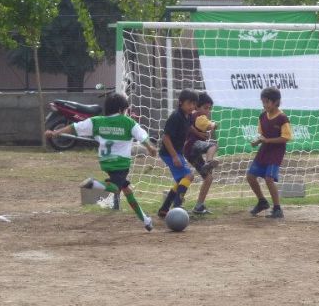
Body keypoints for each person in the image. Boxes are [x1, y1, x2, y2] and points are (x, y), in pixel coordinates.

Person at [44, 93, 157, 232]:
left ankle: (145, 220)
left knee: (126, 189)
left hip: (105, 162)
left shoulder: (97, 121)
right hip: (120, 163)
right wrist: (150, 147)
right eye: (125, 109)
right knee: (116, 189)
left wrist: (55, 133)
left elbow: (74, 127)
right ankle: (94, 184)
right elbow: (142, 136)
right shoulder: (128, 122)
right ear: (121, 109)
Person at [248, 87, 292, 219]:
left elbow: (286, 138)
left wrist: (267, 140)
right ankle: (262, 201)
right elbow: (262, 135)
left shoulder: (282, 118)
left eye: (267, 102)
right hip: (264, 150)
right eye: (263, 102)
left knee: (269, 179)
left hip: (276, 152)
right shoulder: (262, 116)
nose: (264, 105)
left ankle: (277, 209)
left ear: (276, 102)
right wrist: (257, 141)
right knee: (250, 176)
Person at [157, 89, 199, 218]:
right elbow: (166, 138)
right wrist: (174, 156)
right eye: (189, 103)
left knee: (182, 180)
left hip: (176, 152)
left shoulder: (188, 116)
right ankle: (177, 206)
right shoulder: (175, 117)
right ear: (180, 102)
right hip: (169, 153)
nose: (192, 106)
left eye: (194, 104)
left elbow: (189, 127)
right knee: (189, 176)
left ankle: (164, 209)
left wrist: (199, 133)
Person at [184, 92, 220, 215]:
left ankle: (199, 206)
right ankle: (209, 162)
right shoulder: (199, 116)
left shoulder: (191, 116)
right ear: (197, 107)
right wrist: (214, 124)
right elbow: (208, 125)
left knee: (208, 178)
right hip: (192, 146)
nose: (207, 111)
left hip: (190, 153)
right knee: (213, 145)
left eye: (209, 108)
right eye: (205, 108)